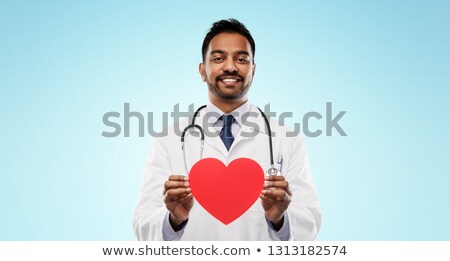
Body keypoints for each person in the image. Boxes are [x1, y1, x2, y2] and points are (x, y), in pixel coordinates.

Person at [133, 19, 321, 240]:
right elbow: (143, 224)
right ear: (203, 70)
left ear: (253, 69)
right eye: (218, 58)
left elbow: (310, 222)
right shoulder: (169, 139)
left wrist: (279, 220)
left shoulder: (288, 139)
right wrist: (174, 219)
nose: (230, 66)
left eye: (241, 59)